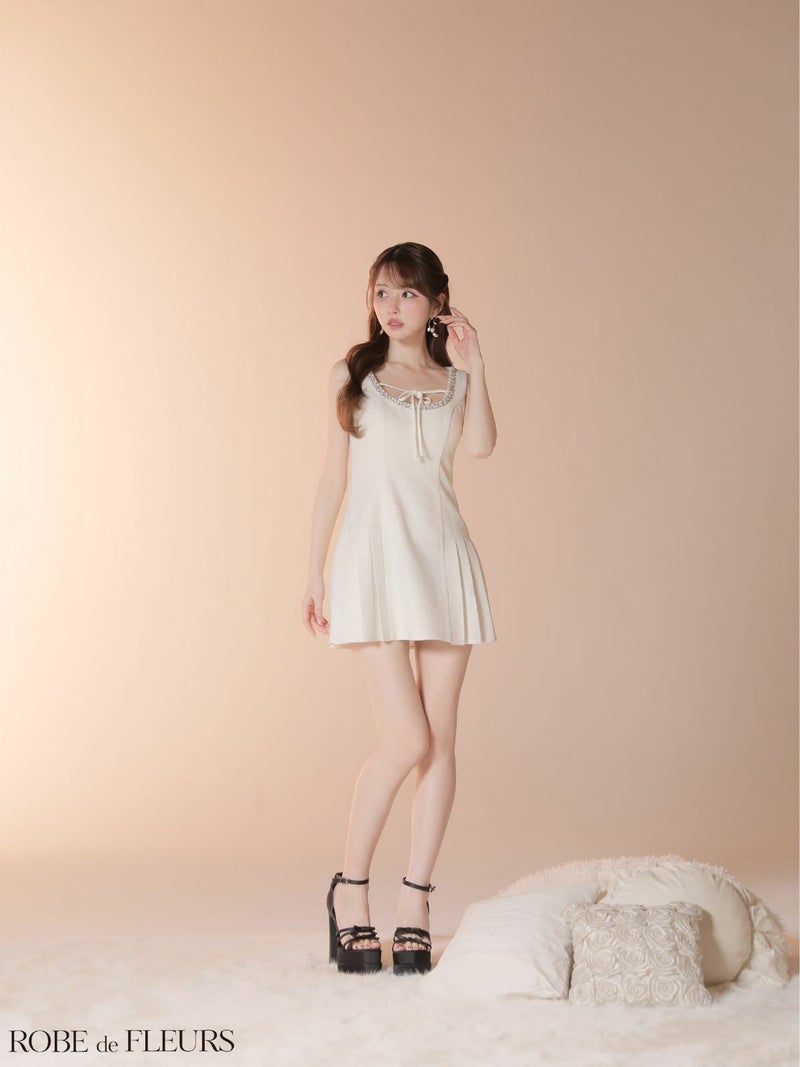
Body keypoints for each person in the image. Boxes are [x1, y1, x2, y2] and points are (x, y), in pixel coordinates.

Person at [301, 242, 498, 976]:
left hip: (443, 559)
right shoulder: (351, 377)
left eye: (408, 293)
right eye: (382, 292)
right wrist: (314, 571)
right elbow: (333, 478)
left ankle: (415, 903)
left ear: (437, 303)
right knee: (406, 738)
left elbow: (482, 447)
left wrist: (478, 367)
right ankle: (351, 889)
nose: (391, 306)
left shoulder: (454, 381)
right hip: (375, 562)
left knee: (441, 742)